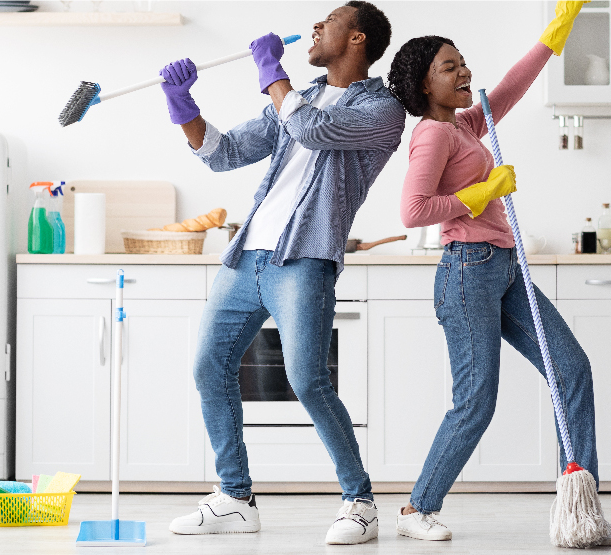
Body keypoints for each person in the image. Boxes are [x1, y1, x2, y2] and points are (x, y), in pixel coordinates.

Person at [157, 1, 403, 545]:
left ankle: (359, 502)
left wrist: (273, 73)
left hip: (304, 258)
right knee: (208, 367)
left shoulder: (382, 110)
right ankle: (234, 498)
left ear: (358, 38)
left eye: (330, 20)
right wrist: (182, 104)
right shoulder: (300, 98)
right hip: (249, 255)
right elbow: (223, 153)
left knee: (307, 380)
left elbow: (313, 131)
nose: (315, 26)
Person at [386, 1, 611, 546]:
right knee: (477, 400)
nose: (464, 71)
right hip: (467, 274)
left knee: (572, 370)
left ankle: (580, 505)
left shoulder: (463, 124)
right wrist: (481, 194)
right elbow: (413, 211)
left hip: (502, 269)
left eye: (463, 62)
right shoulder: (433, 135)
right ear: (424, 85)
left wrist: (553, 36)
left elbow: (510, 86)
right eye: (449, 67)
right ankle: (418, 507)